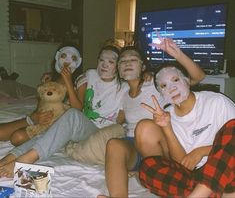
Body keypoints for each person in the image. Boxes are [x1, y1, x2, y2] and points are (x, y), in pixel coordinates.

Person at [97, 37, 205, 198]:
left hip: (160, 144)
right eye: (122, 61)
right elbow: (114, 118)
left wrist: (178, 54)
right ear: (118, 69)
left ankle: (161, 178)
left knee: (145, 127)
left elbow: (198, 78)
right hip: (134, 146)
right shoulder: (122, 94)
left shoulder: (155, 83)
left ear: (143, 66)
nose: (126, 63)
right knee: (113, 144)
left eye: (133, 59)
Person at [0, 44, 128, 178]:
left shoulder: (123, 87)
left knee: (72, 114)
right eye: (101, 60)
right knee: (48, 132)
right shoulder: (91, 74)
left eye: (111, 62)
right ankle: (8, 158)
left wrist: (146, 75)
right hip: (83, 127)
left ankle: (24, 160)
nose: (104, 65)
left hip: (100, 132)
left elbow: (120, 118)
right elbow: (68, 74)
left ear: (118, 65)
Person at [136, 62, 235, 198]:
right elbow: (182, 164)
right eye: (164, 86)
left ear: (187, 81)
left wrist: (201, 152)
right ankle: (218, 194)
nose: (171, 88)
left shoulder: (216, 101)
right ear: (160, 93)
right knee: (147, 166)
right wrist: (166, 127)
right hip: (195, 177)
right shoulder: (166, 116)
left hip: (226, 170)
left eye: (175, 80)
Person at [0, 44, 84, 146]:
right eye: (63, 56)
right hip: (40, 120)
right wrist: (35, 117)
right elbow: (42, 106)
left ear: (78, 61)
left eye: (73, 58)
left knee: (17, 137)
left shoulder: (80, 81)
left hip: (60, 126)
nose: (67, 60)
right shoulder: (52, 79)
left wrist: (68, 82)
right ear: (57, 58)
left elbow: (78, 111)